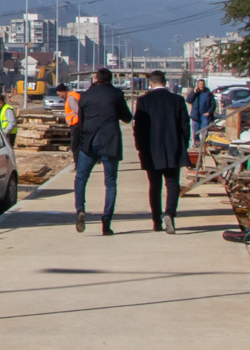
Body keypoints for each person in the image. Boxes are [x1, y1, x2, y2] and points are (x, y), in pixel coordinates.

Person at [68, 66, 127, 235]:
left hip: (89, 142)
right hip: (110, 142)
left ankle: (80, 209)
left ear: (95, 79)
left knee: (81, 177)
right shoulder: (116, 94)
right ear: (111, 80)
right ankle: (106, 222)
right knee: (110, 183)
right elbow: (127, 117)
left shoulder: (85, 96)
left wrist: (77, 144)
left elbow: (80, 122)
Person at [133, 72, 191, 232]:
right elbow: (185, 126)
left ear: (150, 83)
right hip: (174, 148)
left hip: (151, 150)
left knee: (155, 186)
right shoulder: (177, 100)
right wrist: (183, 145)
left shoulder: (143, 101)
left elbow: (139, 128)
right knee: (172, 184)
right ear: (165, 82)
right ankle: (170, 214)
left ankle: (156, 221)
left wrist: (140, 147)